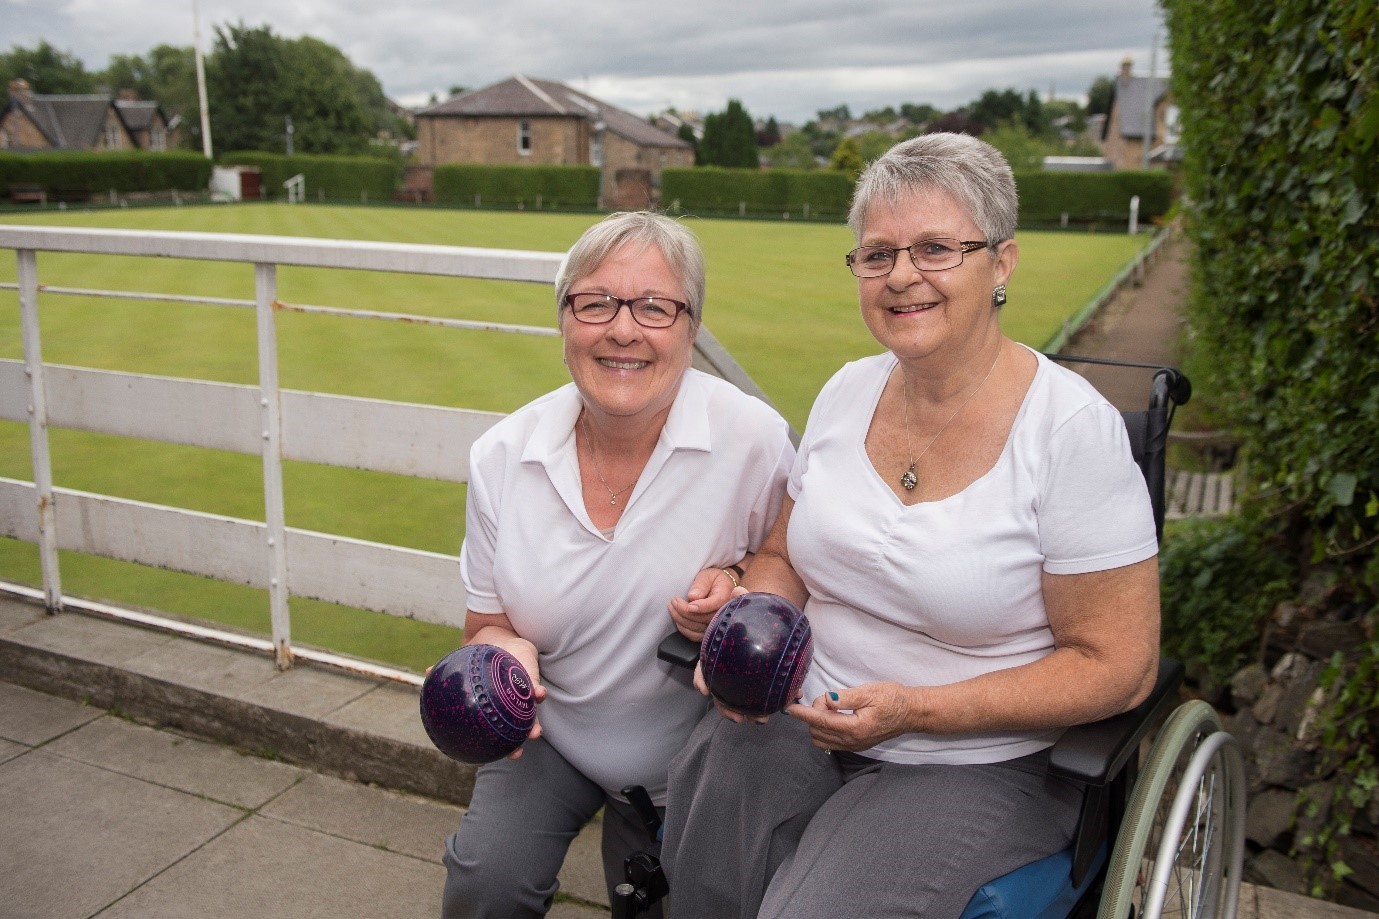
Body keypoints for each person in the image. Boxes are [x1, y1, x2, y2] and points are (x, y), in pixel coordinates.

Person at [661, 133, 1161, 918]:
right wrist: (748, 627)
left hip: (976, 760)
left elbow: (1118, 666)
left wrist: (916, 709)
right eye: (877, 254)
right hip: (800, 712)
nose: (900, 275)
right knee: (701, 877)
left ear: (1000, 262)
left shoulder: (1070, 432)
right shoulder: (844, 392)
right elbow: (783, 551)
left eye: (934, 248)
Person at [439, 211, 793, 919]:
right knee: (485, 883)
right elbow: (486, 624)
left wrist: (739, 583)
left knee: (666, 904)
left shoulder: (753, 438)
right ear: (564, 320)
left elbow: (792, 563)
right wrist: (506, 652)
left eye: (654, 307)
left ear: (691, 326)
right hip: (554, 730)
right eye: (595, 303)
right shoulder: (502, 455)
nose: (622, 330)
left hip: (700, 745)